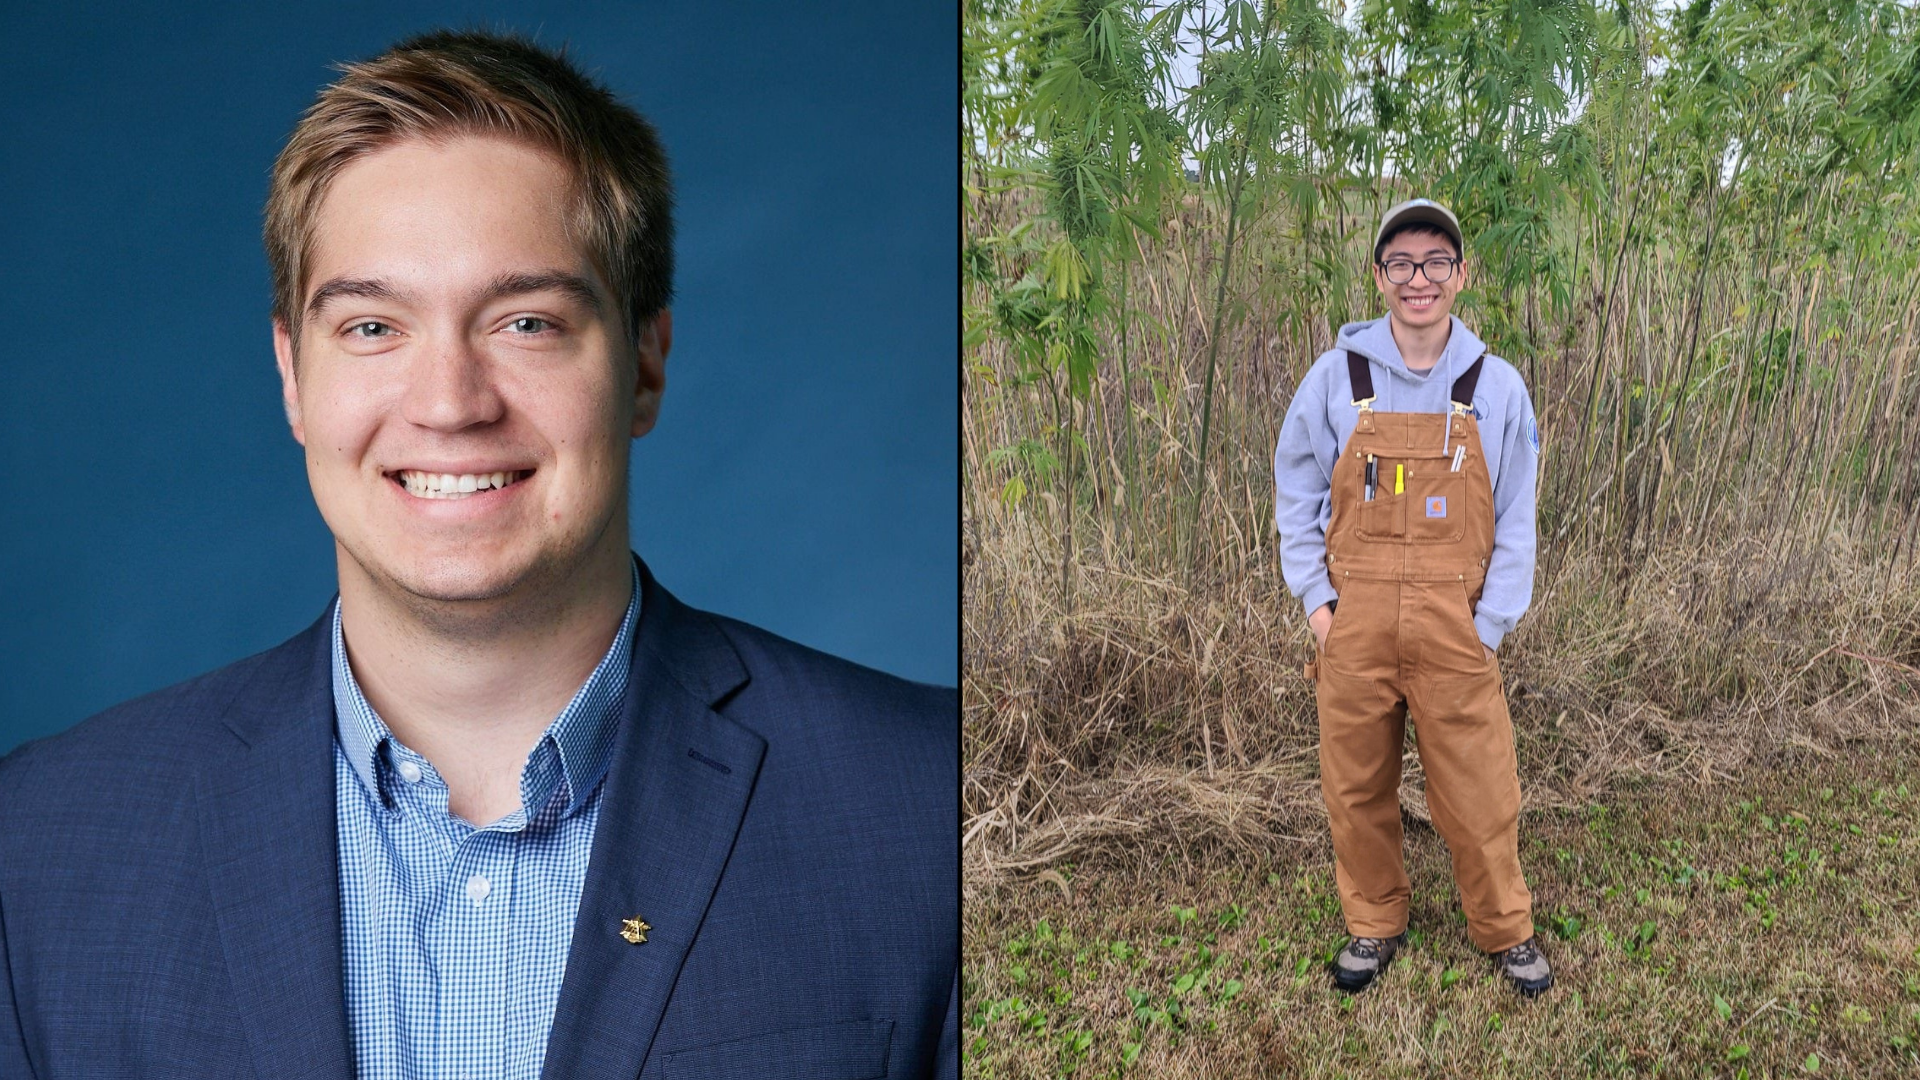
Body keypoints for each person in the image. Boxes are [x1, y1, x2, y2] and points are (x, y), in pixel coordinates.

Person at [0, 31, 957, 1078]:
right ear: (292, 376)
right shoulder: (41, 849)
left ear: (644, 362)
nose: (451, 403)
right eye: (373, 328)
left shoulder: (931, 807)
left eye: (527, 322)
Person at [1272, 198, 1551, 997]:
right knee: (1355, 786)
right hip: (1353, 620)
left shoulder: (1495, 388)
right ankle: (1373, 922)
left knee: (1479, 788)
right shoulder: (1334, 380)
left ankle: (1505, 929)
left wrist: (1488, 626)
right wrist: (1319, 608)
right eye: (1401, 263)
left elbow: (1518, 517)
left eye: (1435, 262)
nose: (1418, 279)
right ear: (1379, 276)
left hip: (1455, 626)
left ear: (1460, 276)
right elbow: (1295, 491)